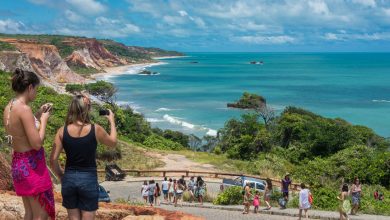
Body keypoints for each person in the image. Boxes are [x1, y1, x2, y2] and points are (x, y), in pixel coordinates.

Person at [50, 94, 117, 220]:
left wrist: (61, 177)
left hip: (69, 178)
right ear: (86, 109)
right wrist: (112, 121)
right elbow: (113, 142)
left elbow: (53, 159)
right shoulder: (95, 129)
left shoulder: (61, 131)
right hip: (88, 179)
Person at [3, 69, 55, 220]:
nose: (36, 93)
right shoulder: (24, 109)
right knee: (41, 214)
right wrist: (44, 120)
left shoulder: (10, 106)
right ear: (30, 87)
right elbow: (36, 144)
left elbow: (21, 131)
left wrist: (38, 114)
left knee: (30, 213)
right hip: (31, 166)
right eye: (36, 89)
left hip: (19, 164)